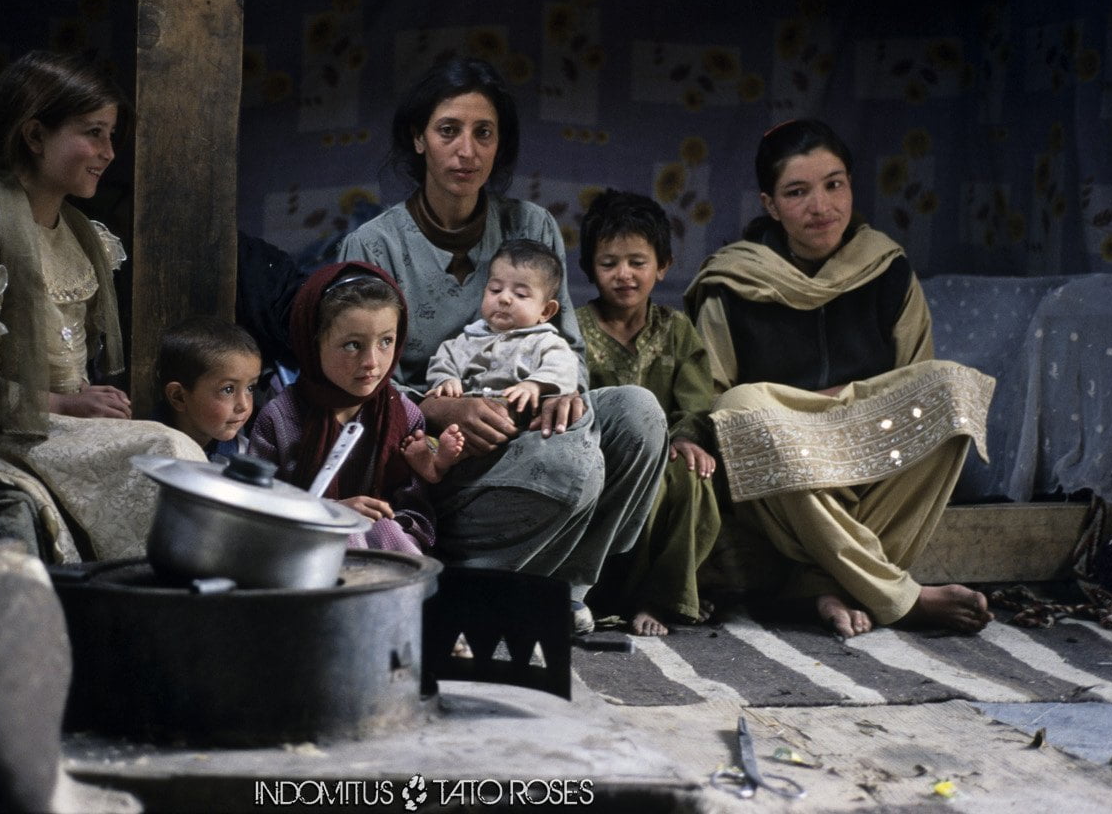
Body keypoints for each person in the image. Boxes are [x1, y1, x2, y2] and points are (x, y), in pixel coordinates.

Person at [337, 56, 666, 634]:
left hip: (528, 427)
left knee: (638, 413)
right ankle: (450, 587)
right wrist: (443, 407)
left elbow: (567, 349)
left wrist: (562, 391)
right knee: (570, 467)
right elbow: (353, 387)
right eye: (448, 131)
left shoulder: (531, 226)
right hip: (433, 457)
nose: (466, 150)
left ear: (499, 146)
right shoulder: (374, 244)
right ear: (419, 139)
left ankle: (562, 588)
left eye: (483, 133)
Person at [0, 49, 203, 562]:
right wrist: (64, 404)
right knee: (165, 452)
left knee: (176, 453)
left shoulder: (81, 236)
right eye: (93, 133)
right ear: (34, 137)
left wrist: (82, 401)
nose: (108, 152)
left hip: (56, 424)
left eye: (110, 135)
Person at [684, 118, 996, 639]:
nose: (821, 206)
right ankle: (899, 596)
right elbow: (710, 401)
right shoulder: (733, 282)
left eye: (834, 184)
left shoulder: (888, 270)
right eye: (797, 192)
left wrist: (844, 405)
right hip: (781, 473)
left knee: (951, 387)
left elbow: (911, 384)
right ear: (770, 204)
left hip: (871, 454)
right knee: (738, 407)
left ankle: (819, 585)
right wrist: (810, 412)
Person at [576, 189, 722, 637]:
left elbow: (695, 400)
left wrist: (685, 438)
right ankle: (601, 595)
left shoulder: (675, 330)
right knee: (642, 481)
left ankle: (660, 597)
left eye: (637, 262)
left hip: (667, 454)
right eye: (609, 263)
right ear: (589, 269)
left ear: (662, 266)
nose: (624, 275)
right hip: (604, 459)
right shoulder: (573, 329)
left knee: (689, 474)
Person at [248, 261, 464, 554]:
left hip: (387, 552)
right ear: (313, 342)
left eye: (386, 341)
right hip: (297, 552)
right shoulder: (280, 418)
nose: (372, 362)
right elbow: (255, 505)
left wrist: (429, 471)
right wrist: (331, 512)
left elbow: (415, 515)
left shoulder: (405, 415)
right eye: (352, 345)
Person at [425, 239, 580, 419]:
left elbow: (564, 367)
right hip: (470, 419)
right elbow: (443, 361)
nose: (504, 298)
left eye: (520, 294)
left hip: (520, 421)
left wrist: (534, 385)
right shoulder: (466, 340)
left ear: (545, 311)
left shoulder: (546, 342)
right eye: (495, 290)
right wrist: (446, 380)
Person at [156, 316, 262, 458]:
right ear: (179, 397)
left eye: (250, 388)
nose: (243, 405)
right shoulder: (147, 450)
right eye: (228, 389)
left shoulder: (244, 454)